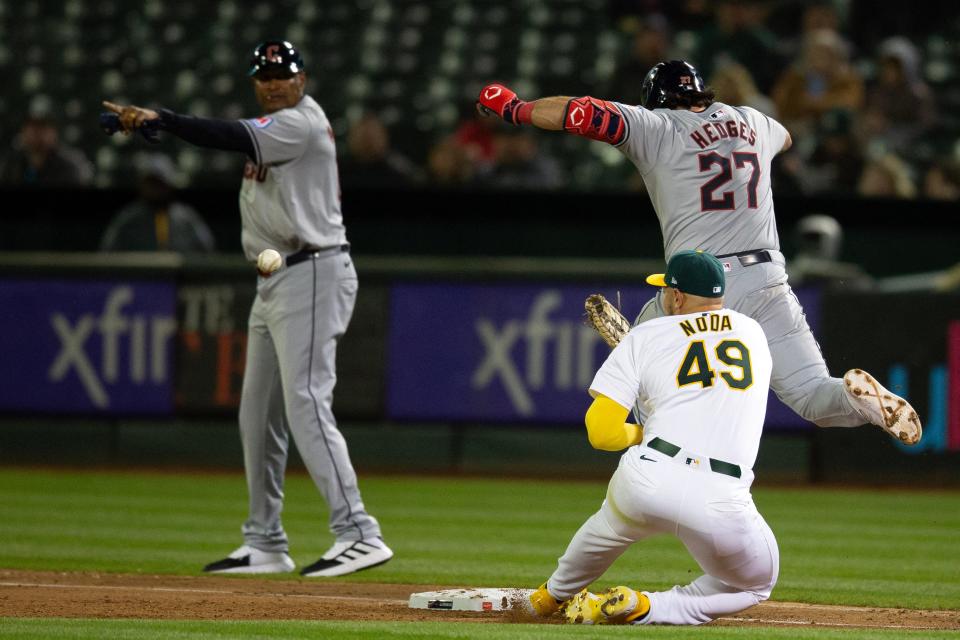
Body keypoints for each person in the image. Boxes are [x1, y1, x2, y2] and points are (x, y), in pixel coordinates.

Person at [476, 59, 921, 446]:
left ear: (657, 100)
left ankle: (644, 374)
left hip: (701, 286)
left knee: (647, 389)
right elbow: (785, 137)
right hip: (768, 278)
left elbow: (582, 113)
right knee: (812, 397)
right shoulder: (753, 120)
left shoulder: (658, 126)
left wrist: (518, 110)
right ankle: (855, 398)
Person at [103, 40, 393, 577]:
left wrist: (162, 119)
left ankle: (359, 532)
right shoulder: (277, 125)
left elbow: (229, 135)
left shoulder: (300, 124)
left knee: (305, 400)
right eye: (265, 74)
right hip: (278, 278)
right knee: (256, 413)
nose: (274, 82)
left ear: (303, 79)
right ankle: (265, 541)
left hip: (312, 271)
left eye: (284, 73)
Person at [526, 251, 776, 625]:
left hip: (648, 475)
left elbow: (602, 433)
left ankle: (550, 596)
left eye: (665, 290)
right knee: (755, 584)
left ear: (676, 296)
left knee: (606, 528)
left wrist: (644, 430)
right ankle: (645, 607)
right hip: (721, 497)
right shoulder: (753, 332)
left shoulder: (645, 337)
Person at [100, 154, 216, 252]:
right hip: (138, 277)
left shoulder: (186, 218)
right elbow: (107, 252)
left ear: (169, 185)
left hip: (180, 276)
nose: (154, 189)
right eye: (150, 183)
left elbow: (208, 250)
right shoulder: (128, 219)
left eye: (159, 183)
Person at [0, 114, 93, 186]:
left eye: (43, 128)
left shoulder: (67, 167)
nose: (38, 134)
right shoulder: (13, 165)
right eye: (33, 128)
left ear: (54, 133)